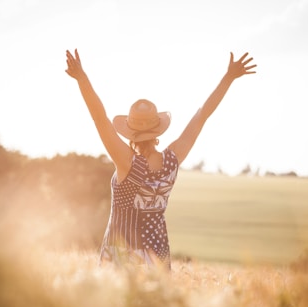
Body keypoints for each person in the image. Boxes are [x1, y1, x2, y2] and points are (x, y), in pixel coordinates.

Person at [65, 49, 256, 270]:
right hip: (158, 255)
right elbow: (202, 114)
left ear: (130, 131)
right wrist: (228, 77)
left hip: (123, 256)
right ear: (158, 129)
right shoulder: (172, 159)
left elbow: (100, 118)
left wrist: (82, 78)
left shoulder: (126, 162)